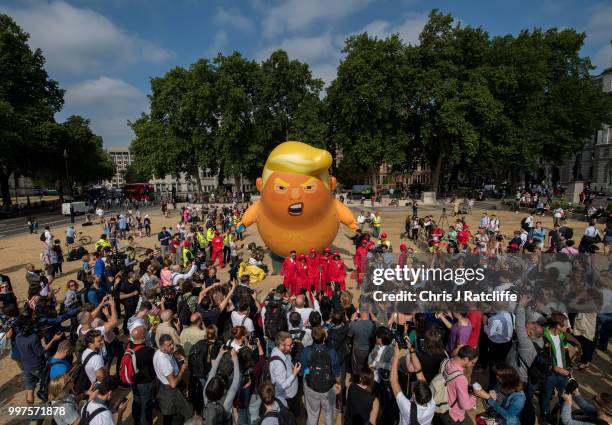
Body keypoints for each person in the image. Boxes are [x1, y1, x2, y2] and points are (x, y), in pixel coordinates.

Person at [300, 326, 342, 425]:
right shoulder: (332, 352)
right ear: (324, 338)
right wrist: (338, 383)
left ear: (312, 337)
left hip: (311, 387)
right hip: (328, 387)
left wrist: (308, 376)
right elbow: (336, 372)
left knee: (312, 415)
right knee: (329, 413)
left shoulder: (306, 351)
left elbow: (304, 370)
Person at [391, 341, 435, 425]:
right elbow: (419, 371)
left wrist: (396, 356)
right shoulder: (431, 403)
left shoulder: (407, 408)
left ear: (414, 396)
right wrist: (411, 350)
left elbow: (393, 381)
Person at [154, 334, 193, 425]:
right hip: (171, 392)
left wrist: (175, 355)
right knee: (178, 415)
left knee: (168, 414)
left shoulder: (158, 352)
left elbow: (169, 353)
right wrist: (182, 370)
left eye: (172, 343)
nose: (172, 346)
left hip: (164, 388)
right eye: (169, 345)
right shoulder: (164, 362)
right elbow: (173, 384)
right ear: (161, 346)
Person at [435, 346, 479, 425]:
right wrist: (474, 396)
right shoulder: (461, 379)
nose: (473, 365)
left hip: (439, 404)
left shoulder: (445, 362)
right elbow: (465, 405)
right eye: (472, 363)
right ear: (465, 359)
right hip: (452, 415)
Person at [126, 318, 156, 425]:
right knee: (146, 408)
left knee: (137, 402)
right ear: (144, 336)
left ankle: (136, 421)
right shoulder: (147, 351)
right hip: (145, 384)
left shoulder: (129, 346)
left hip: (134, 381)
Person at [203, 345, 240, 425]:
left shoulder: (205, 394)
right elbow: (236, 380)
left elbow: (211, 374)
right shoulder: (226, 401)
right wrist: (235, 358)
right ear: (222, 390)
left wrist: (220, 354)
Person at [269, 331, 301, 415]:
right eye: (290, 344)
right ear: (281, 345)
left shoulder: (279, 350)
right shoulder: (278, 364)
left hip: (292, 393)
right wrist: (294, 374)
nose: (292, 346)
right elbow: (280, 387)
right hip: (287, 398)